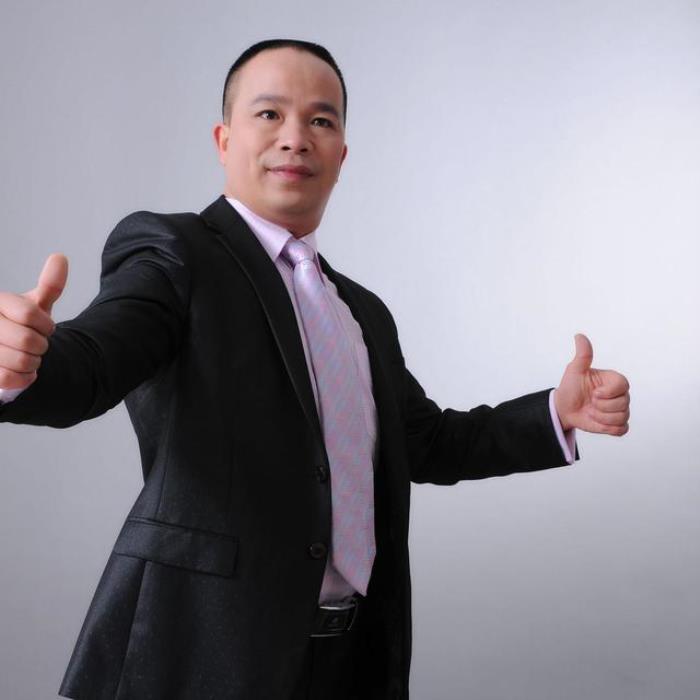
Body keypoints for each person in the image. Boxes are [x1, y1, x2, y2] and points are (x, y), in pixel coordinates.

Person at [0, 39, 630, 700]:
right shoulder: (175, 253)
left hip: (348, 660)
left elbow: (429, 442)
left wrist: (556, 414)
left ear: (341, 156)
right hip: (202, 652)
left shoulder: (360, 312)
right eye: (269, 114)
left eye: (320, 120)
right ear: (224, 140)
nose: (295, 138)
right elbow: (95, 359)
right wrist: (22, 366)